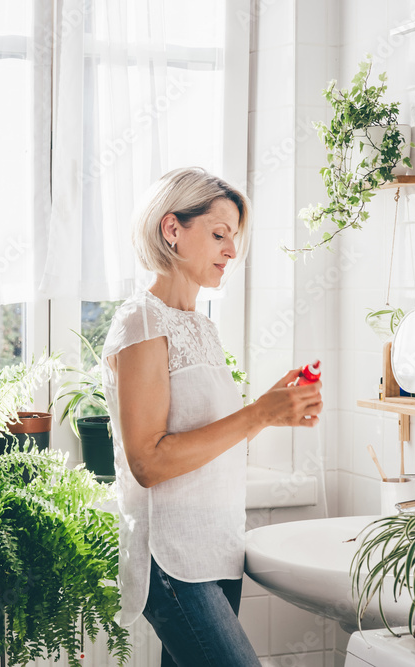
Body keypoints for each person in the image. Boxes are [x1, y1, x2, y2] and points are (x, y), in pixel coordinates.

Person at [101, 167, 323, 666]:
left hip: (217, 550)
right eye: (219, 234)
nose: (231, 250)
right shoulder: (141, 321)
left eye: (235, 238)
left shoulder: (200, 327)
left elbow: (210, 445)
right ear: (172, 229)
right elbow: (148, 461)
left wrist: (272, 411)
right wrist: (257, 413)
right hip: (174, 562)